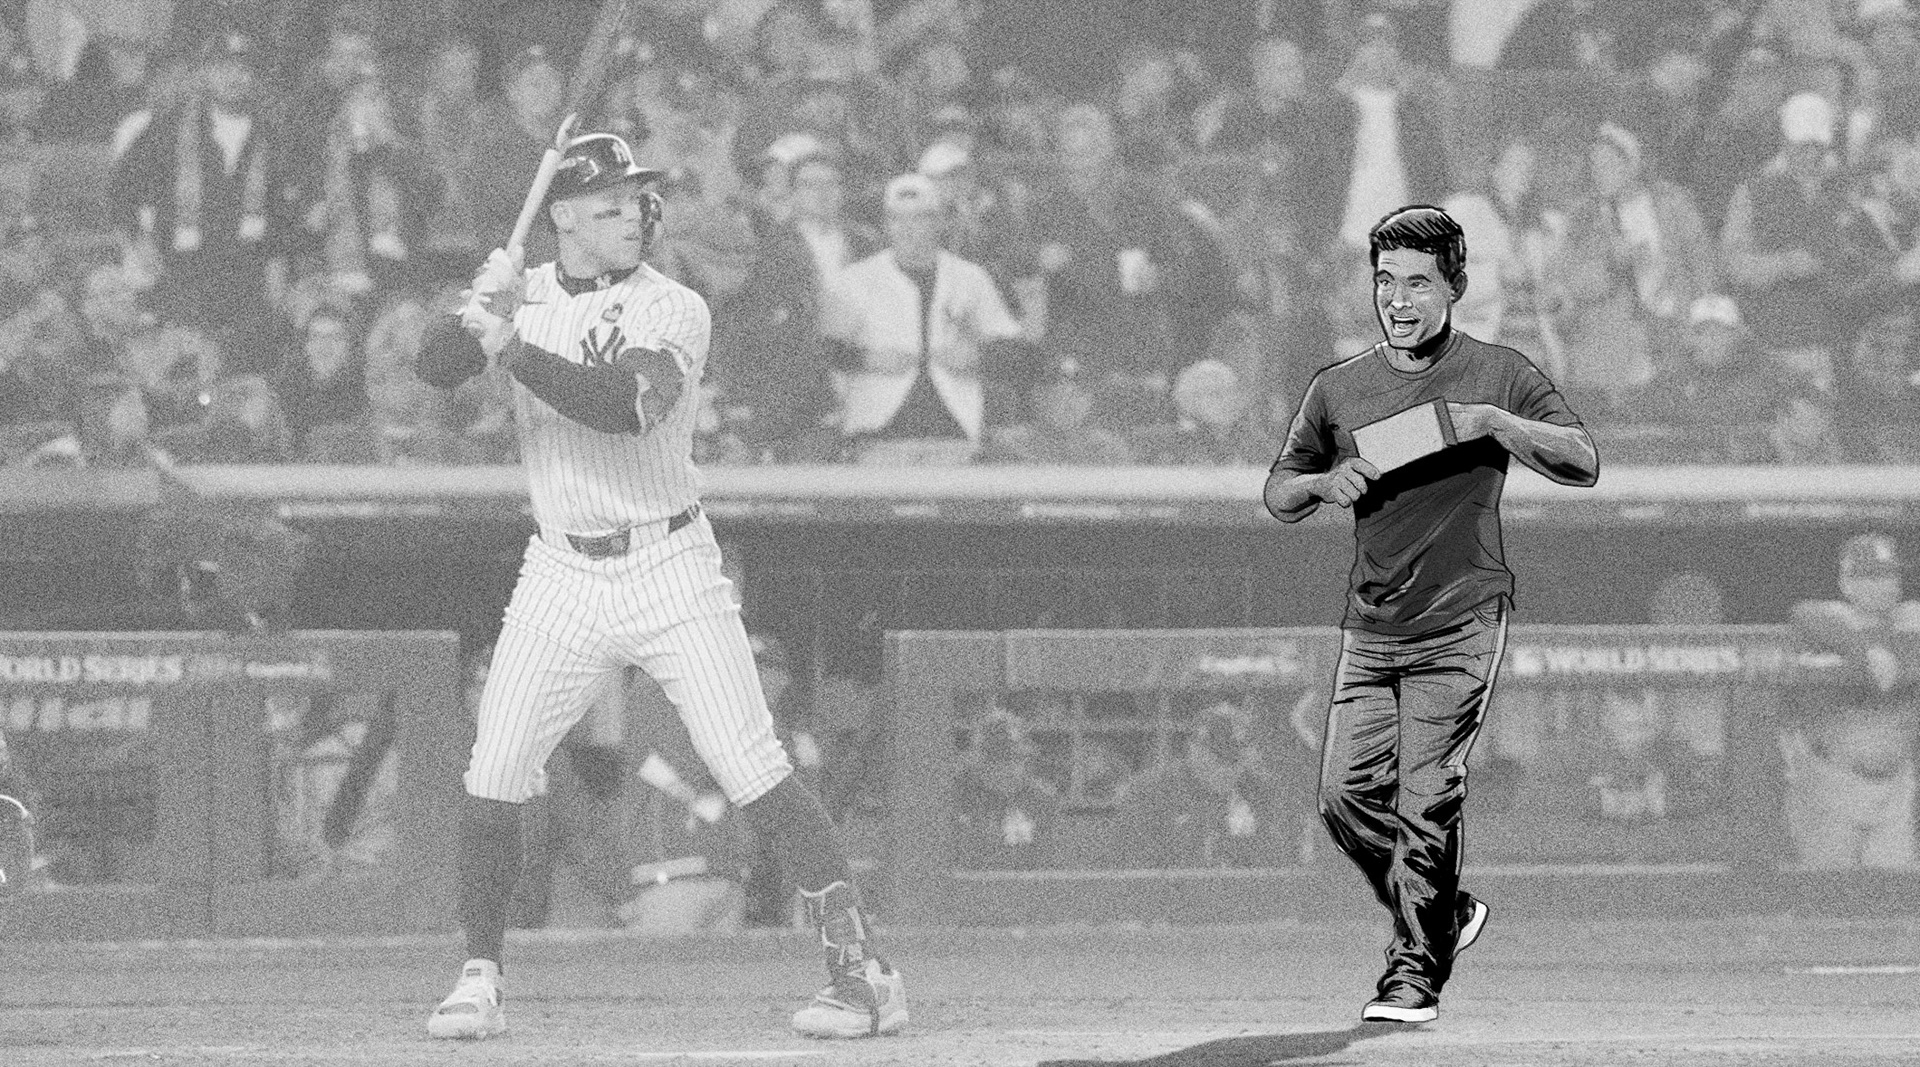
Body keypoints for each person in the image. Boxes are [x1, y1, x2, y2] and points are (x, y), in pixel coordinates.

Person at [412, 130, 906, 1041]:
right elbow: (433, 370)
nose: (633, 217)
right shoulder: (524, 293)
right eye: (608, 206)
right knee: (495, 767)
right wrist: (472, 309)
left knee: (752, 765)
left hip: (668, 563)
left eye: (636, 202)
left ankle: (863, 973)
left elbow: (628, 407)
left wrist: (509, 342)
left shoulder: (674, 305)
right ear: (562, 217)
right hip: (560, 567)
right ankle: (478, 975)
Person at [1263, 205, 1599, 1024]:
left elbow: (1583, 460)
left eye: (1417, 282)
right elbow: (1279, 489)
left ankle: (1414, 972)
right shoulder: (1337, 387)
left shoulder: (1499, 371)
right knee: (1343, 797)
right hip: (1372, 623)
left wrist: (1493, 423)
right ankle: (1445, 909)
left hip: (1464, 615)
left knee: (1427, 794)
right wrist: (1321, 484)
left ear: (1456, 285)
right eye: (1385, 281)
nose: (1398, 299)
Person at [819, 172, 1026, 464]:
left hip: (953, 435)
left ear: (939, 221)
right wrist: (865, 358)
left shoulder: (970, 278)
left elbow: (1015, 350)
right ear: (886, 224)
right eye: (897, 219)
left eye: (919, 218)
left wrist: (978, 355)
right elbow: (821, 351)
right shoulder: (854, 280)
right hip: (877, 435)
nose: (908, 229)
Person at [1781, 533, 1920, 868]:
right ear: (1846, 583)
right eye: (1871, 576)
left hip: (1895, 788)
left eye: (1889, 575)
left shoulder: (1911, 619)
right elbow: (1802, 613)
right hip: (1832, 782)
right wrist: (1864, 652)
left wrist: (1887, 651)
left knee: (1895, 892)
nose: (1883, 585)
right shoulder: (1827, 618)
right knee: (1829, 890)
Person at [1106, 699, 1304, 870]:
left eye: (1238, 759)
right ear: (1195, 750)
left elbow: (1280, 863)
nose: (1230, 770)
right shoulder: (1150, 792)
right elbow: (1127, 869)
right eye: (1221, 758)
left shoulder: (1260, 793)